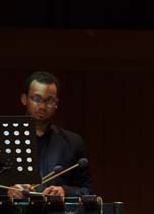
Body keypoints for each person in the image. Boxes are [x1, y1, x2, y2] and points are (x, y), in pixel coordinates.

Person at [7, 71, 94, 199]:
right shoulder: (6, 138)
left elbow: (87, 190)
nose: (42, 106)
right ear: (24, 99)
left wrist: (64, 191)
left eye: (49, 100)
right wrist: (8, 191)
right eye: (36, 99)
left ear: (56, 103)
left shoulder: (73, 142)